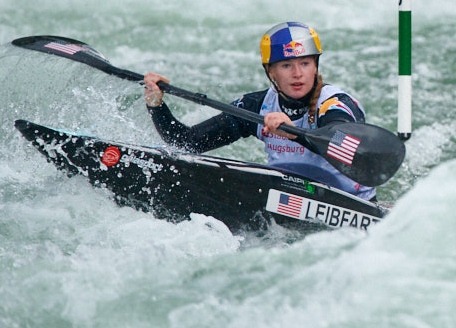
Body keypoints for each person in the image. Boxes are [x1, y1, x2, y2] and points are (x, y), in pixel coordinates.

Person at [143, 22, 375, 200]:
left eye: (305, 63)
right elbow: (186, 142)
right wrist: (156, 105)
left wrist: (295, 134)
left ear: (315, 66)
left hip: (349, 202)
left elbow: (346, 145)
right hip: (287, 197)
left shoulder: (335, 104)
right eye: (286, 65)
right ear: (271, 71)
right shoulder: (258, 106)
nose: (297, 74)